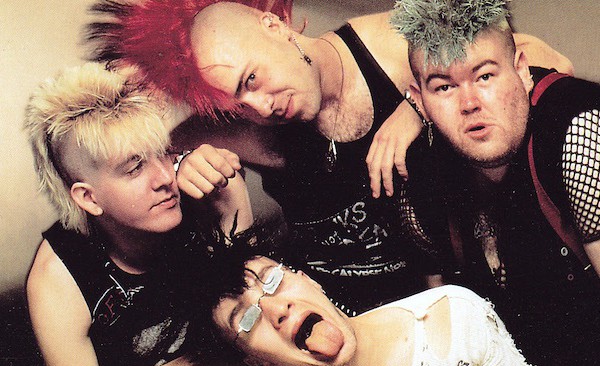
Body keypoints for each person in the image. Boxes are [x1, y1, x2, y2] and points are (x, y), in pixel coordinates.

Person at [85, 0, 573, 315]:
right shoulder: (246, 123)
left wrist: (416, 106)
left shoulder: (393, 43)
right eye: (237, 102)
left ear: (274, 26)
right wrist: (180, 164)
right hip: (333, 318)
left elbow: (541, 60)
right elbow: (130, 154)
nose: (259, 107)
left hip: (445, 294)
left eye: (252, 79)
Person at [393, 0, 600, 366]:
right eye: (444, 87)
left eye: (485, 75)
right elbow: (447, 346)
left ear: (522, 70)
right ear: (419, 100)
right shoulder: (420, 180)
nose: (470, 103)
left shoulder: (577, 133)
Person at [25, 62, 254, 366]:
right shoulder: (59, 278)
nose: (164, 178)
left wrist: (228, 188)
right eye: (134, 168)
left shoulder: (204, 192)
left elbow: (257, 329)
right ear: (88, 198)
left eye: (164, 153)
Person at [200, 228, 552, 366]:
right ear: (258, 362)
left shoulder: (450, 320)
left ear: (310, 281)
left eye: (273, 280)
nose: (276, 309)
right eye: (247, 319)